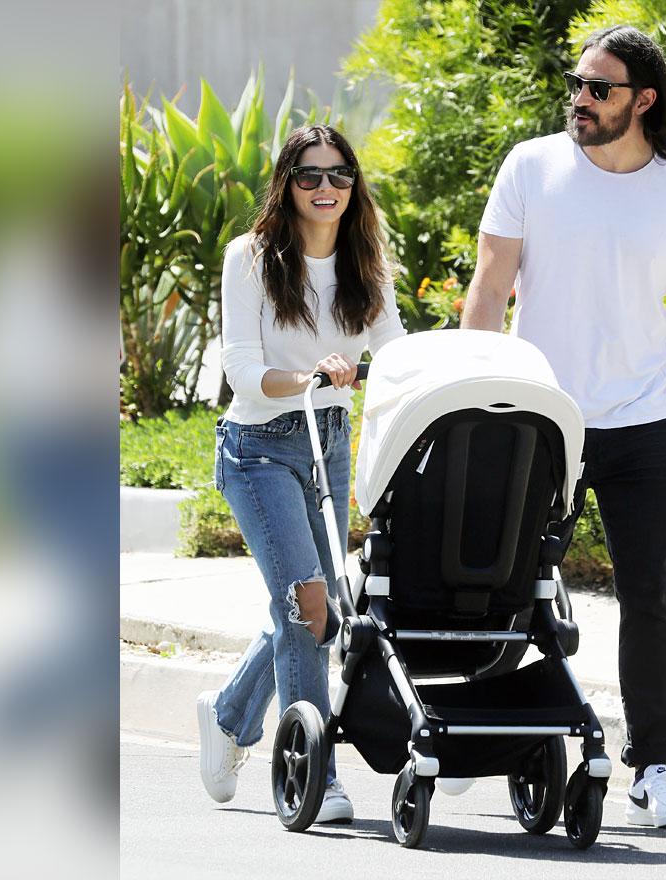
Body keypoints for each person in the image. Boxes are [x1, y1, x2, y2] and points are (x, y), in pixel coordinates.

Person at [461, 25, 666, 830]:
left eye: (599, 89)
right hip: (536, 421)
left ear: (644, 100)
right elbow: (488, 292)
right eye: (577, 84)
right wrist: (469, 403)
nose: (580, 100)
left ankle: (654, 769)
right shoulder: (532, 166)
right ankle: (464, 732)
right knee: (493, 585)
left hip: (640, 424)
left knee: (652, 599)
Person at [195, 125, 405, 823]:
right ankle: (317, 772)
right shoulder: (249, 258)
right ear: (287, 184)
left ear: (354, 185)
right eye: (310, 176)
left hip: (331, 438)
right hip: (258, 446)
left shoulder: (367, 262)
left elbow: (396, 354)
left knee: (314, 605)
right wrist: (313, 376)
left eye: (339, 175)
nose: (325, 189)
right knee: (308, 603)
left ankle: (227, 716)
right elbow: (243, 375)